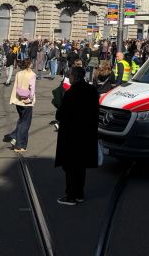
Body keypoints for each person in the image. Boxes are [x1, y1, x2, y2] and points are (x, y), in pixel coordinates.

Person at [55, 66, 99, 206]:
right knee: (81, 166)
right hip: (87, 134)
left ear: (74, 77)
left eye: (71, 76)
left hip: (72, 135)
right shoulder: (92, 90)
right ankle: (79, 193)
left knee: (70, 166)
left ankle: (71, 196)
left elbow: (61, 114)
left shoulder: (71, 93)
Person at [3, 59, 36, 152]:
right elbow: (32, 89)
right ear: (28, 65)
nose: (33, 64)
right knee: (25, 124)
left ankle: (18, 142)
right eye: (31, 63)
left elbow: (16, 87)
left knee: (21, 121)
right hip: (27, 102)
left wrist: (14, 99)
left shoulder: (19, 74)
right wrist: (30, 99)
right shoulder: (32, 75)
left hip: (18, 101)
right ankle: (19, 144)